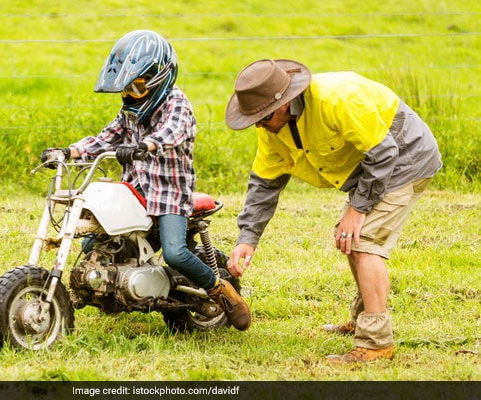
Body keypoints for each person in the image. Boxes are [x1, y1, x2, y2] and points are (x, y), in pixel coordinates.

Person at [224, 59, 441, 361]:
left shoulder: (337, 100)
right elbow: (265, 184)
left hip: (405, 157)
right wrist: (247, 238)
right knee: (350, 239)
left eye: (261, 116)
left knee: (364, 242)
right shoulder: (271, 128)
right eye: (253, 118)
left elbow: (385, 153)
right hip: (372, 165)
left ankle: (376, 344)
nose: (257, 124)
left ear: (284, 104)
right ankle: (361, 322)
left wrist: (358, 207)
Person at [41, 30, 251, 331]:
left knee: (176, 252)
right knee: (93, 243)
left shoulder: (177, 104)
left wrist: (145, 145)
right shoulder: (130, 111)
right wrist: (69, 151)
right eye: (125, 90)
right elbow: (107, 137)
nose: (128, 96)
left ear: (157, 80)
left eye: (136, 88)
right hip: (136, 192)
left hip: (170, 194)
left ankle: (222, 291)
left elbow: (170, 133)